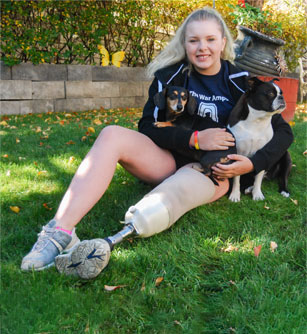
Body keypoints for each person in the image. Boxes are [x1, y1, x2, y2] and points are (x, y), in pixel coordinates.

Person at [21, 7, 293, 278]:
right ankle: (60, 232)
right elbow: (148, 127)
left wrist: (251, 164)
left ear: (223, 42)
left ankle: (114, 238)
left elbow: (283, 133)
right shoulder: (169, 76)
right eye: (193, 40)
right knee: (111, 134)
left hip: (211, 169)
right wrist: (195, 138)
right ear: (184, 43)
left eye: (210, 39)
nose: (202, 48)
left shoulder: (238, 82)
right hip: (167, 158)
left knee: (173, 194)